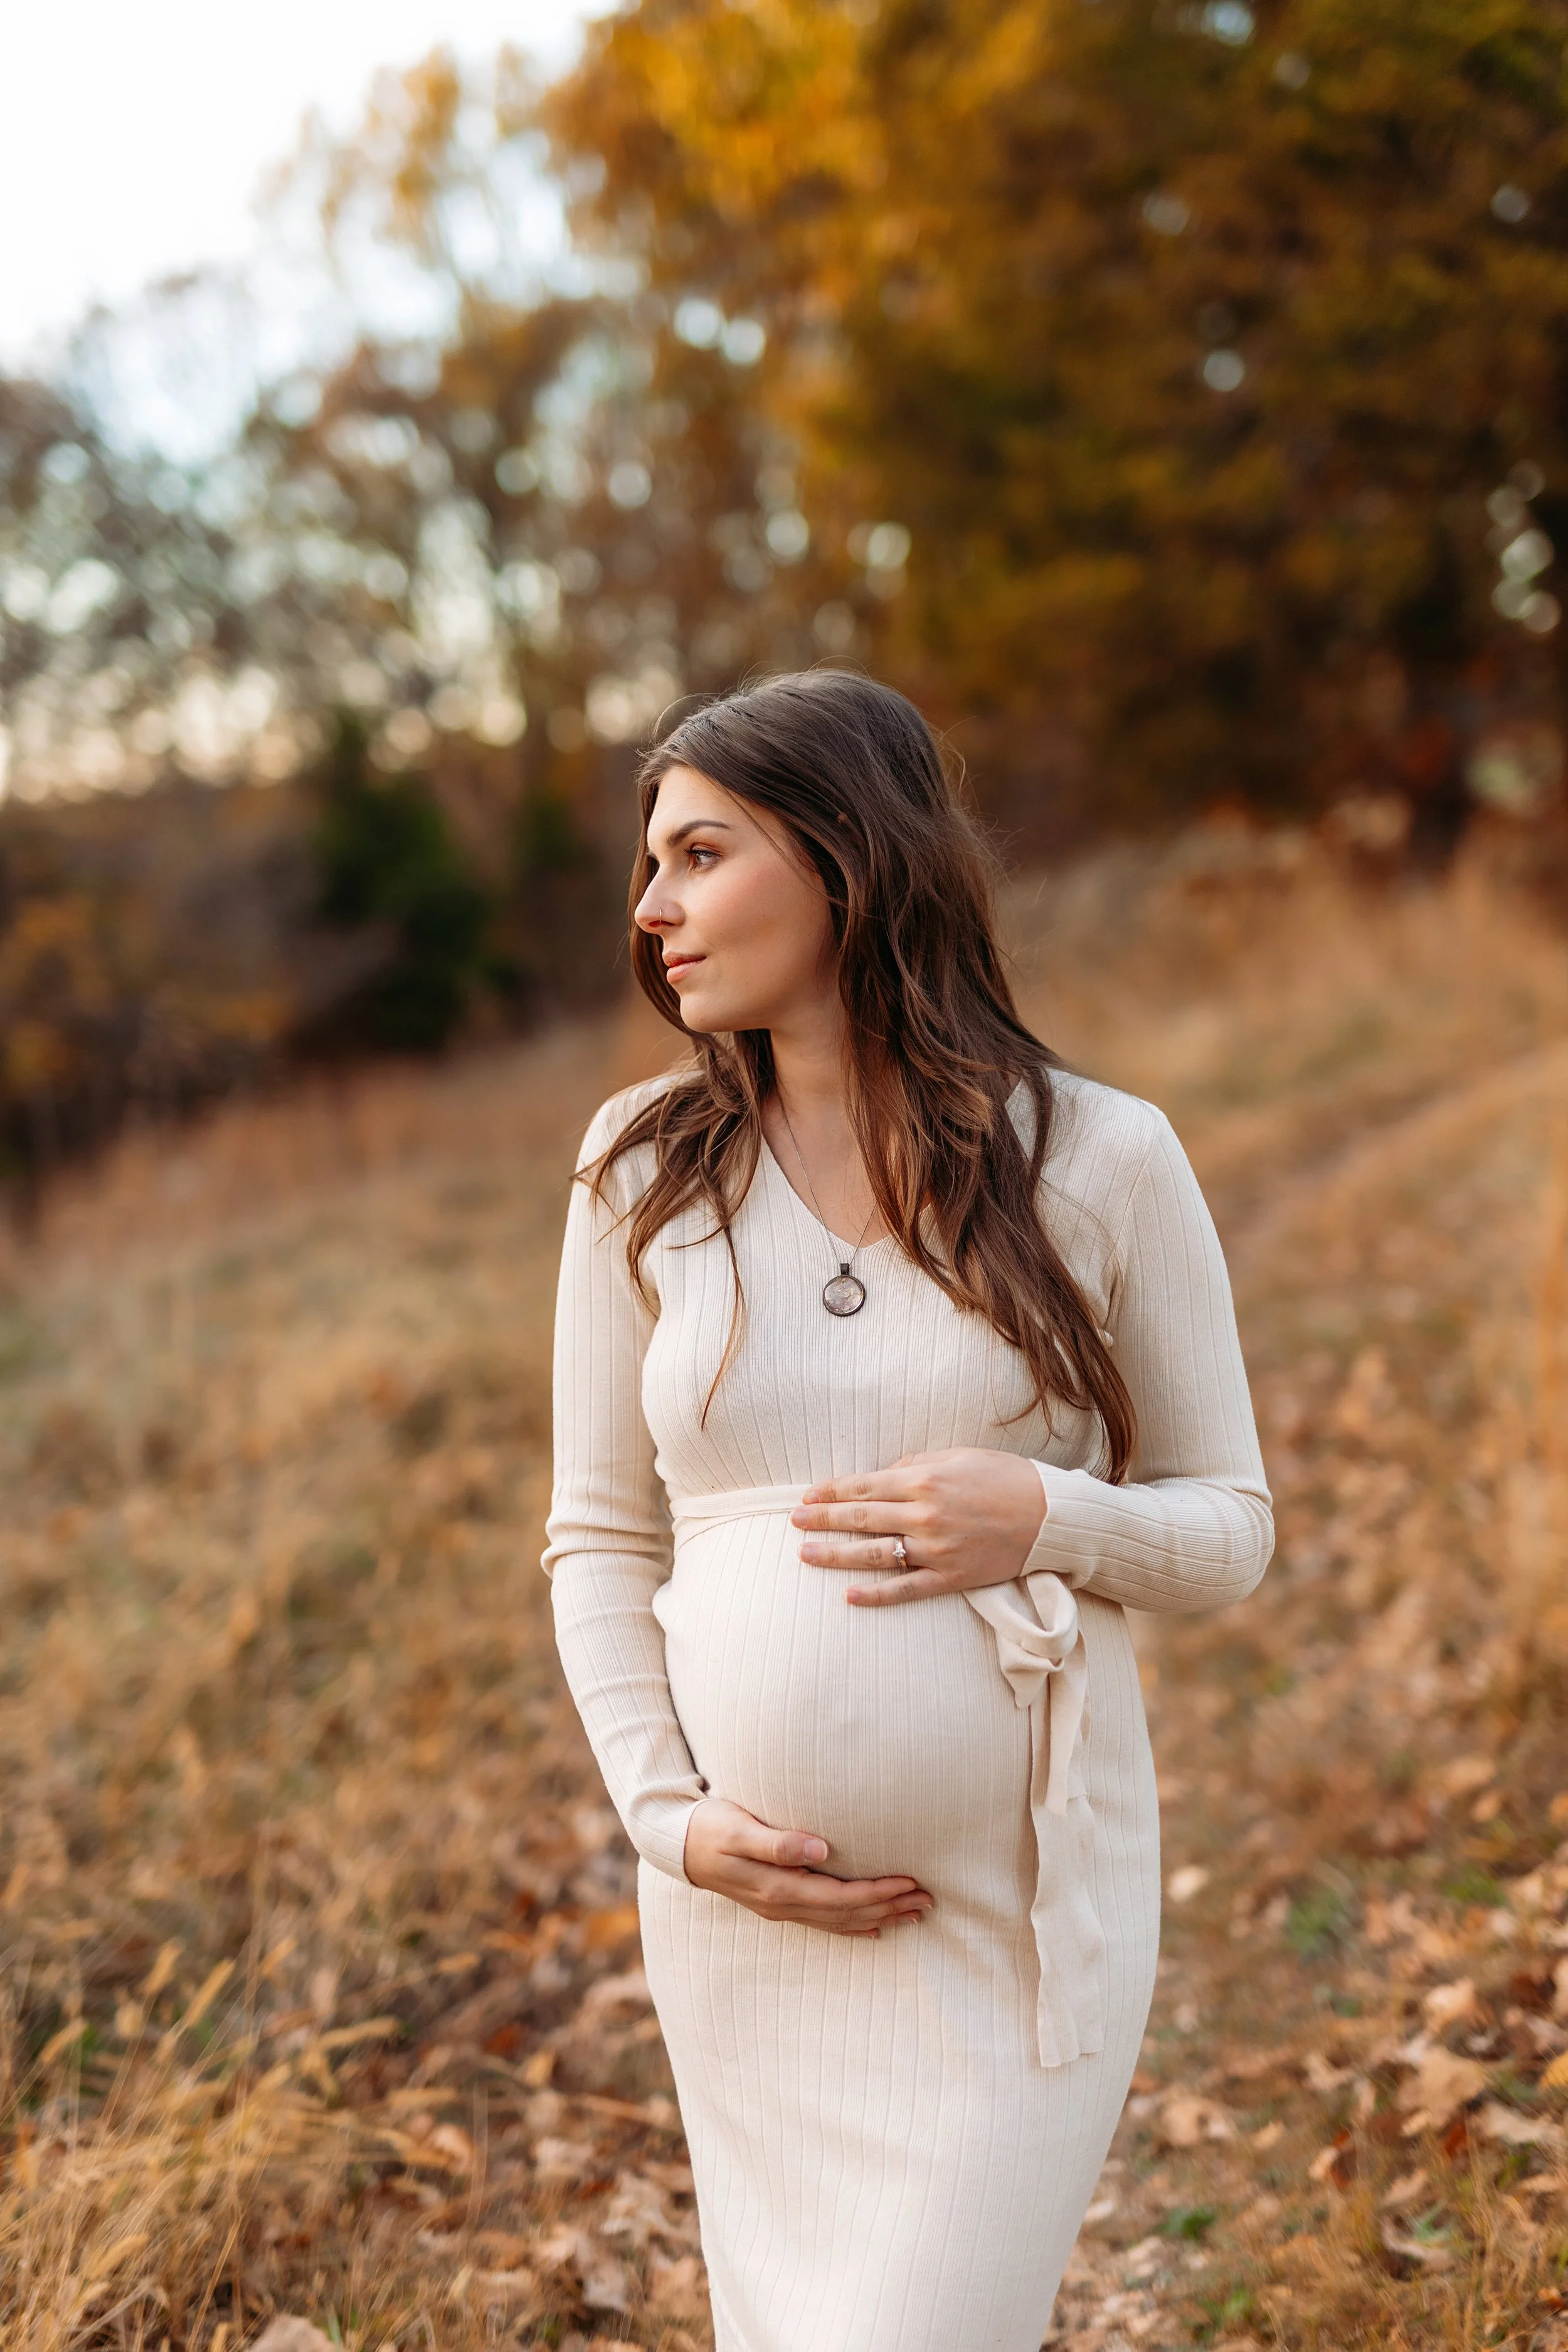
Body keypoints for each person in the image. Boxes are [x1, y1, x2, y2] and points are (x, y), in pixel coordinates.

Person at [543, 670, 1272, 2352]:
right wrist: (666, 1816)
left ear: (845, 857)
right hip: (745, 1942)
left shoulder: (1094, 1154)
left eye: (698, 853)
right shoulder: (641, 1168)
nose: (651, 910)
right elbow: (597, 1533)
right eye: (648, 865)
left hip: (1011, 1931)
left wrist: (1047, 1513)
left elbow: (1227, 1527)